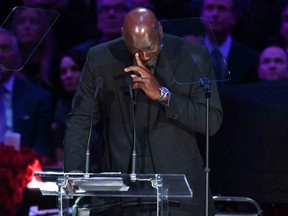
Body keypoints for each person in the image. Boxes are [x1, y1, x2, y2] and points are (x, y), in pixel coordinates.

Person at [64, 7, 223, 215]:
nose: (144, 56)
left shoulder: (192, 56)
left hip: (178, 191)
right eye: (136, 49)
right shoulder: (100, 58)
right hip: (119, 193)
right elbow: (80, 120)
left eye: (150, 47)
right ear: (123, 36)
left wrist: (163, 95)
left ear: (161, 31)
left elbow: (211, 120)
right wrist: (75, 173)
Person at [0, 27, 53, 163]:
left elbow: (42, 147)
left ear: (16, 56)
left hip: (21, 172)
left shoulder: (38, 98)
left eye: (4, 48)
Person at [200, 0, 260, 85]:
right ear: (201, 14)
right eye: (210, 8)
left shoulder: (250, 58)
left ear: (234, 18)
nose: (214, 14)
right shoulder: (188, 54)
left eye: (222, 9)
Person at [51, 49, 86, 167]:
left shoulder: (102, 103)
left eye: (74, 69)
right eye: (63, 72)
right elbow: (59, 149)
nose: (68, 76)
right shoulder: (61, 106)